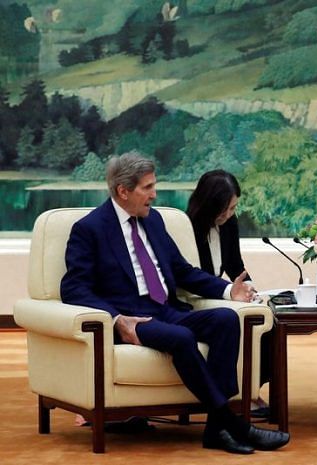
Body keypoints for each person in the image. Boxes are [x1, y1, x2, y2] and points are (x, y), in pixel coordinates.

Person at [60, 152, 290, 455]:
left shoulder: (153, 220)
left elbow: (182, 271)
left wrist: (227, 291)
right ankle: (234, 425)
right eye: (148, 188)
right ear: (123, 191)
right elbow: (73, 287)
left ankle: (214, 431)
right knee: (181, 338)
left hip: (166, 310)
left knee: (225, 320)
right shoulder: (89, 229)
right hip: (133, 319)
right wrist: (117, 320)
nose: (155, 194)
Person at [186, 169, 270, 417]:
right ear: (209, 203)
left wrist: (251, 288)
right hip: (195, 297)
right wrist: (229, 292)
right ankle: (235, 397)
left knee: (268, 320)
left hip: (220, 294)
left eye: (233, 208)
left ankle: (251, 388)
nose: (229, 214)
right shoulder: (186, 225)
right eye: (225, 208)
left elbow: (234, 265)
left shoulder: (229, 224)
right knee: (239, 320)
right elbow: (191, 277)